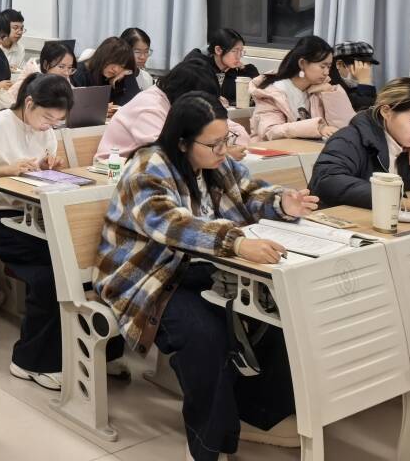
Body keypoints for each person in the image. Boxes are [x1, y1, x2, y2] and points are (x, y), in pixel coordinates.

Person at [95, 92, 312, 461]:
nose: (223, 150)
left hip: (202, 267)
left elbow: (249, 192)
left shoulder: (216, 163)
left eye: (226, 139)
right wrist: (236, 243)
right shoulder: (148, 167)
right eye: (214, 144)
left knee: (276, 313)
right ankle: (209, 444)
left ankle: (258, 416)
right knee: (205, 335)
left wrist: (281, 202)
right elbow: (171, 224)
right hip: (149, 276)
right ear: (182, 142)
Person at [0, 74, 115, 390]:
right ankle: (30, 362)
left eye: (57, 121)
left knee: (87, 258)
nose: (50, 126)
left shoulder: (47, 131)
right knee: (53, 274)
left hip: (35, 213)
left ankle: (96, 352)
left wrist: (49, 166)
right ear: (29, 103)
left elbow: (39, 168)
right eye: (47, 118)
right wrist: (9, 169)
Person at [97, 58, 251, 161]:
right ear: (186, 94)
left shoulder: (180, 103)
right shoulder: (148, 107)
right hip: (117, 171)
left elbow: (239, 133)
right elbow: (164, 154)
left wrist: (223, 146)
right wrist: (224, 152)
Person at [311, 77, 410, 209]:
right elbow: (327, 181)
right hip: (339, 218)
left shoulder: (405, 145)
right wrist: (398, 201)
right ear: (386, 111)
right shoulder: (349, 139)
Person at [250, 36, 353, 142]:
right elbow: (270, 131)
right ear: (302, 64)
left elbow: (346, 128)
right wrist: (317, 128)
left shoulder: (320, 90)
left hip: (310, 150)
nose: (326, 72)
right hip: (274, 150)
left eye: (329, 67)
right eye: (322, 66)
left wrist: (330, 92)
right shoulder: (273, 92)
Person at [183, 28, 260, 106]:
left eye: (241, 51)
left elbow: (258, 88)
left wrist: (244, 69)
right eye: (234, 51)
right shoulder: (197, 66)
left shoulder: (231, 69)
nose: (239, 56)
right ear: (218, 50)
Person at [70, 36, 140, 114]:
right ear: (102, 56)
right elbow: (72, 109)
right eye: (113, 62)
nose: (116, 69)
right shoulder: (77, 74)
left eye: (122, 65)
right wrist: (98, 110)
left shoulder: (115, 77)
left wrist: (128, 75)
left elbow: (135, 105)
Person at [3, 40, 76, 107]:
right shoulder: (29, 83)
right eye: (61, 67)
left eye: (69, 67)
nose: (67, 73)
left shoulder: (62, 77)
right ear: (45, 65)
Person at [333, 40, 381, 112]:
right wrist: (364, 82)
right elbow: (363, 113)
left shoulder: (352, 85)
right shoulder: (331, 87)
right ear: (339, 64)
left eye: (368, 66)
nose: (364, 71)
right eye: (360, 66)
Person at [121, 27, 154, 91]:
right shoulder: (113, 76)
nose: (143, 57)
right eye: (137, 52)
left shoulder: (147, 78)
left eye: (146, 51)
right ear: (123, 50)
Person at [2, 9, 27, 75]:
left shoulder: (20, 48)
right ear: (4, 28)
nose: (20, 32)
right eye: (15, 28)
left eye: (21, 28)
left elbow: (22, 72)